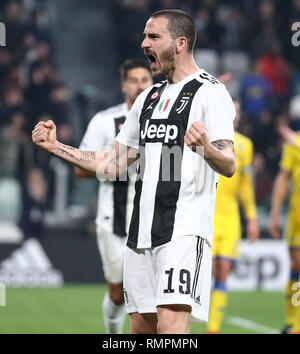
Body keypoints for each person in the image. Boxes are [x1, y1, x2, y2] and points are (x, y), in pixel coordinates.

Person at [32, 9, 236, 334]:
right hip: (139, 233)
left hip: (182, 231)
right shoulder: (148, 98)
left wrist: (206, 149)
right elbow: (112, 165)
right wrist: (58, 147)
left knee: (170, 326)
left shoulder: (210, 93)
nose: (144, 43)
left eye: (153, 36)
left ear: (180, 43)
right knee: (141, 330)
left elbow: (229, 163)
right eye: (144, 36)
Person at [75, 58, 153, 333]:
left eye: (145, 79)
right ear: (124, 85)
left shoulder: (162, 120)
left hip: (153, 221)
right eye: (134, 80)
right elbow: (80, 168)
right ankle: (113, 334)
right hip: (114, 220)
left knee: (147, 297)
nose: (140, 85)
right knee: (119, 294)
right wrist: (117, 163)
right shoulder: (105, 121)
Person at [206, 98, 260, 334]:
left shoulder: (245, 145)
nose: (234, 115)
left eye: (237, 111)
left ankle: (213, 329)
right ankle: (182, 324)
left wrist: (252, 218)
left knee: (223, 272)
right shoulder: (206, 139)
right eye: (231, 110)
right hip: (206, 214)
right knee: (202, 272)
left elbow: (246, 186)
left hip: (230, 219)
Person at [269, 124, 300, 334]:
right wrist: (274, 213)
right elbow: (283, 177)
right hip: (297, 219)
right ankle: (293, 323)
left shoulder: (295, 142)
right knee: (297, 266)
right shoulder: (294, 142)